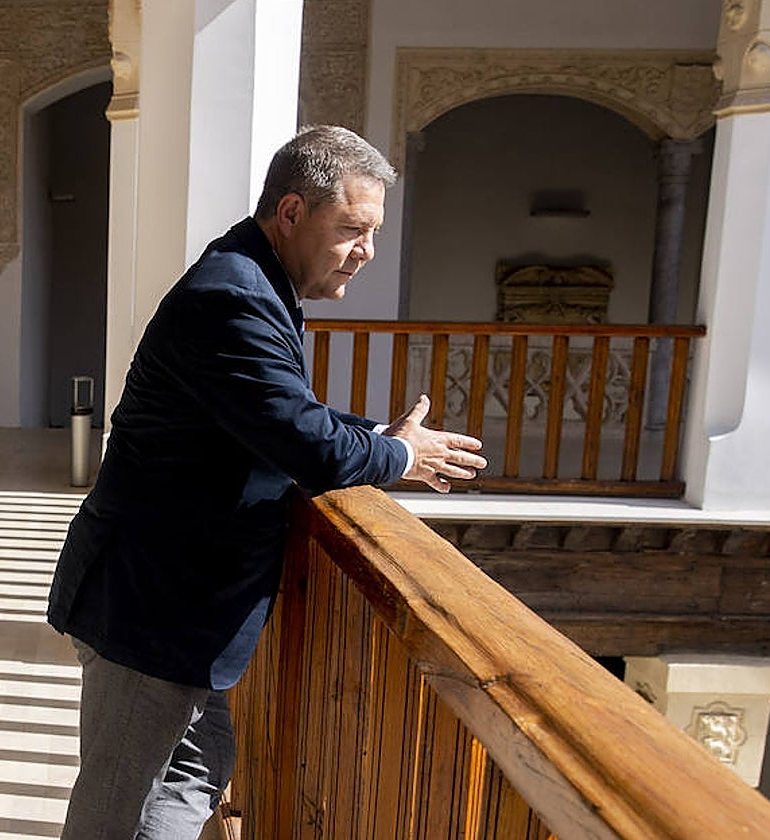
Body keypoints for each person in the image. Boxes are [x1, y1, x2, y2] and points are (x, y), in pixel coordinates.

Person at [47, 125, 487, 839]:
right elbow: (308, 446)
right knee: (114, 814)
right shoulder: (232, 295)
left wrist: (377, 436)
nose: (366, 251)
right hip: (148, 611)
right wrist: (399, 458)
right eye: (352, 229)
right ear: (290, 213)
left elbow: (278, 411)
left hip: (177, 613)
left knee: (196, 770)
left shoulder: (254, 277)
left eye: (372, 232)